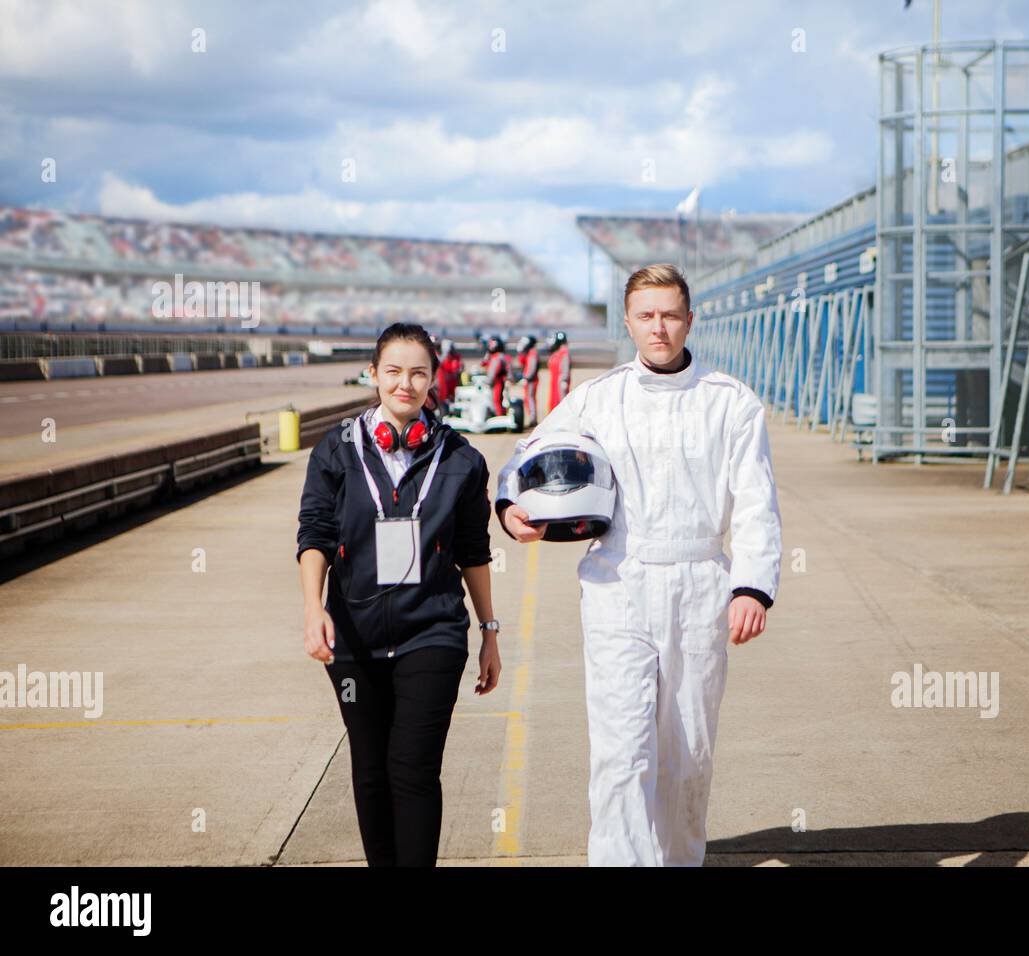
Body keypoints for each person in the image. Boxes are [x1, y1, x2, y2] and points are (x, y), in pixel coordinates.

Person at [494, 263, 781, 866]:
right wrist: (510, 504)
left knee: (687, 754)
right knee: (621, 751)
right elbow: (526, 453)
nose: (659, 328)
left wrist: (752, 586)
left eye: (670, 315)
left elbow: (757, 500)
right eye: (646, 316)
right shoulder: (598, 398)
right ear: (628, 322)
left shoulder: (731, 403)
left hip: (701, 580)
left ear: (689, 320)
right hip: (617, 582)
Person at [296, 321, 502, 867]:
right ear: (373, 375)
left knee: (411, 767)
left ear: (434, 379)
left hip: (431, 635)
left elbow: (473, 550)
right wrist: (313, 608)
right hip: (353, 641)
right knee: (370, 769)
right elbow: (314, 532)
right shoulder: (335, 451)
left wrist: (489, 631)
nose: (405, 384)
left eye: (418, 373)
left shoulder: (461, 459)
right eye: (393, 371)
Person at [514, 334, 540, 428]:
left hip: (531, 381)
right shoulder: (529, 353)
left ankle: (533, 419)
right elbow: (521, 362)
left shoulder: (533, 354)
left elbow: (531, 369)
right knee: (528, 399)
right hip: (529, 380)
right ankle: (532, 418)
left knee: (530, 399)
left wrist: (527, 378)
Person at [545, 330, 571, 415]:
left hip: (560, 384)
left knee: (561, 405)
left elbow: (565, 371)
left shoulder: (564, 353)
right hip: (555, 383)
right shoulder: (557, 353)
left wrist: (563, 380)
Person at [483, 334, 510, 417]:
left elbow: (494, 371)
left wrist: (489, 381)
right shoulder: (494, 356)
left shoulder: (498, 357)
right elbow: (483, 363)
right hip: (496, 381)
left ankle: (499, 417)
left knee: (496, 400)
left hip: (497, 382)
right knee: (495, 400)